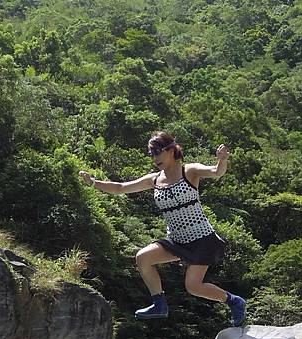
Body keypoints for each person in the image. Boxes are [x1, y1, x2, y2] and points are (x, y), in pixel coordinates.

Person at [79, 131, 246, 326]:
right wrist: (93, 183)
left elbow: (216, 172)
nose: (155, 157)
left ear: (171, 150)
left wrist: (222, 160)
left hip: (202, 240)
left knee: (193, 286)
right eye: (151, 153)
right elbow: (121, 188)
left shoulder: (189, 171)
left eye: (158, 152)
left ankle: (234, 301)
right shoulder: (154, 180)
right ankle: (159, 303)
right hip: (176, 240)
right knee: (143, 257)